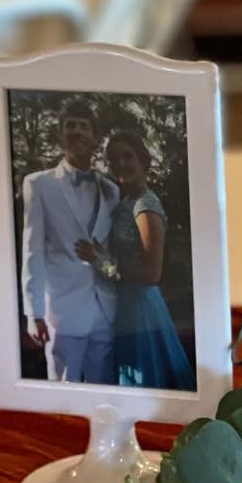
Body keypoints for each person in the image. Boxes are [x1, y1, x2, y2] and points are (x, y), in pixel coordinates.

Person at [77, 129, 195, 392]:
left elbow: (152, 273)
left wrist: (103, 263)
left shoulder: (145, 206)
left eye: (128, 156)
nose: (121, 163)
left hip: (141, 308)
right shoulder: (125, 203)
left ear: (143, 160)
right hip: (122, 304)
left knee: (142, 382)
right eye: (113, 158)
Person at [20, 99, 120, 383]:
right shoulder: (39, 184)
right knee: (64, 392)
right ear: (60, 134)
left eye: (84, 126)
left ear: (95, 138)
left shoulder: (111, 190)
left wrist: (104, 263)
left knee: (104, 392)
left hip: (104, 308)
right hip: (62, 310)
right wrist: (34, 313)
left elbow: (113, 249)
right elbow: (32, 250)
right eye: (71, 126)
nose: (77, 132)